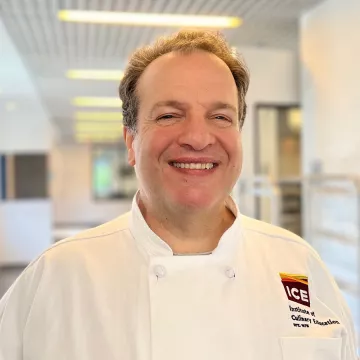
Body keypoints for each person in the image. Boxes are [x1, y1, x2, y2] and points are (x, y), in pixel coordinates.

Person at [0, 30, 357, 360]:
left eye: (220, 117)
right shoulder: (58, 277)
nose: (198, 138)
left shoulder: (299, 266)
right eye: (170, 115)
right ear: (130, 141)